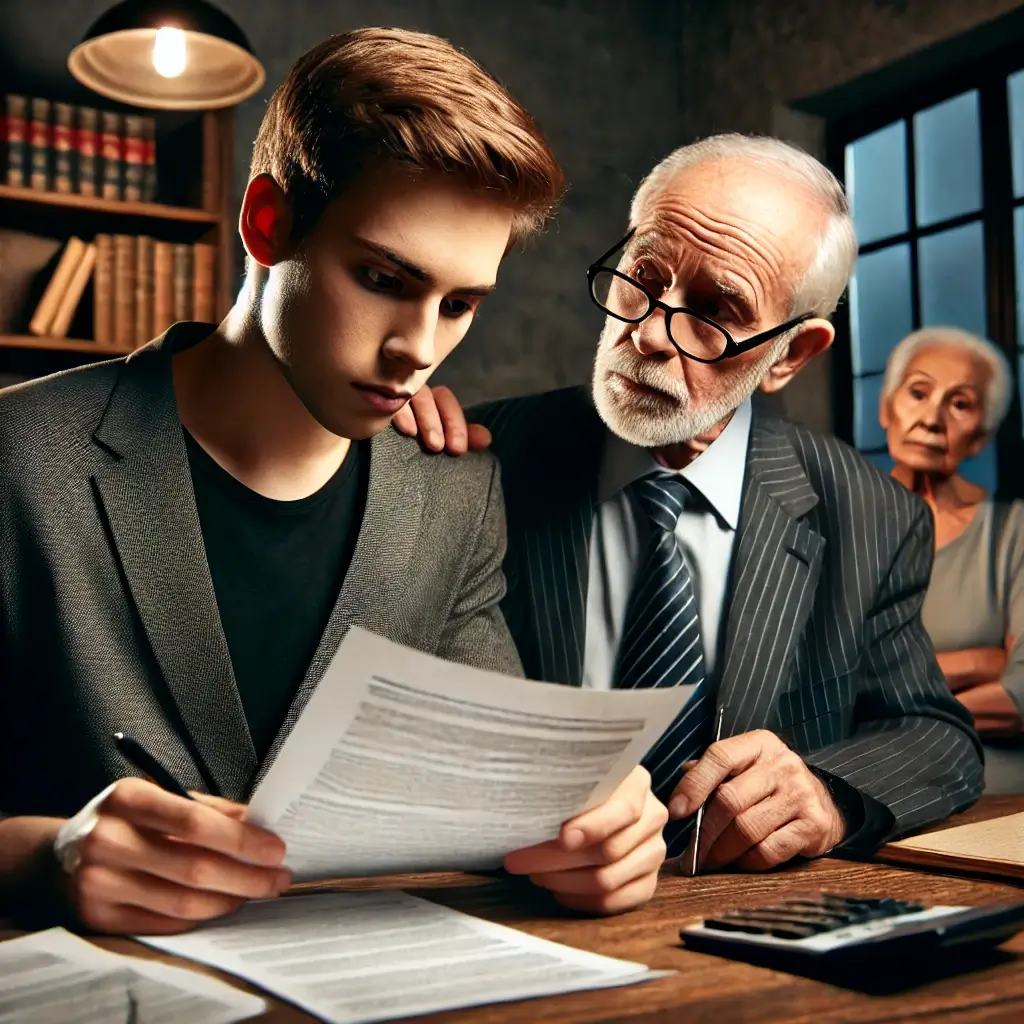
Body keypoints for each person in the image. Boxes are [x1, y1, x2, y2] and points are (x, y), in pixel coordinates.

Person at [0, 28, 669, 934]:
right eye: (383, 278)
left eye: (460, 304)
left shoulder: (454, 494)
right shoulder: (19, 456)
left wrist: (592, 833)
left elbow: (501, 798)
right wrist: (44, 856)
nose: (418, 349)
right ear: (267, 223)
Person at [395, 134, 984, 871]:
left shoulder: (869, 514)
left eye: (716, 309)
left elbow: (937, 737)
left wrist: (829, 794)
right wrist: (367, 456)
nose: (645, 333)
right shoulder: (474, 459)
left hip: (740, 922)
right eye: (642, 275)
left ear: (791, 355)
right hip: (513, 907)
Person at [881, 326, 1024, 793]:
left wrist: (884, 705)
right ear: (887, 408)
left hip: (997, 802)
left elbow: (1020, 698)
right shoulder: (836, 527)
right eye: (918, 392)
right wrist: (980, 661)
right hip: (877, 796)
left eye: (960, 403)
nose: (932, 418)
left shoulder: (1013, 532)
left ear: (981, 436)